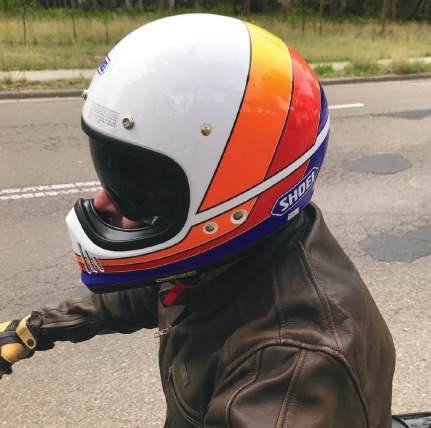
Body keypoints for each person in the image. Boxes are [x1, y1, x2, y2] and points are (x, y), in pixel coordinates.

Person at [0, 14, 395, 428]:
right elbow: (158, 290)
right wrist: (34, 328)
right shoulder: (241, 253)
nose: (102, 201)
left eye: (136, 188)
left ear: (232, 195)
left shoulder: (294, 370)